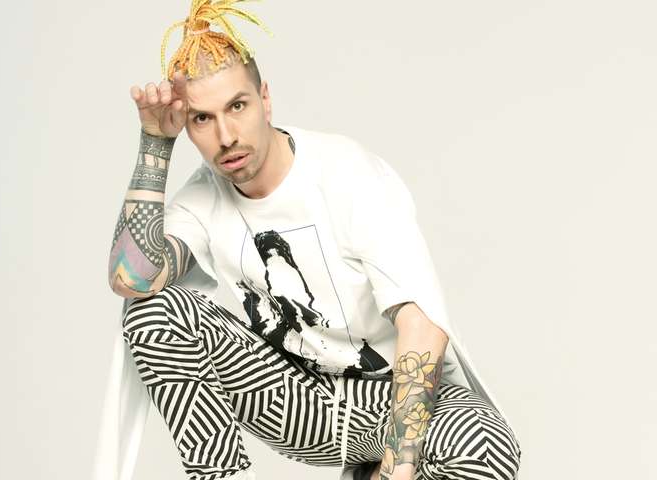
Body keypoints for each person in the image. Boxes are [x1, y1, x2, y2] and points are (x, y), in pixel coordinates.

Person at [97, 1, 522, 479]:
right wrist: (155, 142)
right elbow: (131, 278)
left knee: (484, 443)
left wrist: (396, 472)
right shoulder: (203, 197)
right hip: (295, 398)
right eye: (202, 119)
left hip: (386, 397)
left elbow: (421, 325)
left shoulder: (347, 174)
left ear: (265, 99)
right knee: (152, 310)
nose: (226, 135)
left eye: (237, 106)